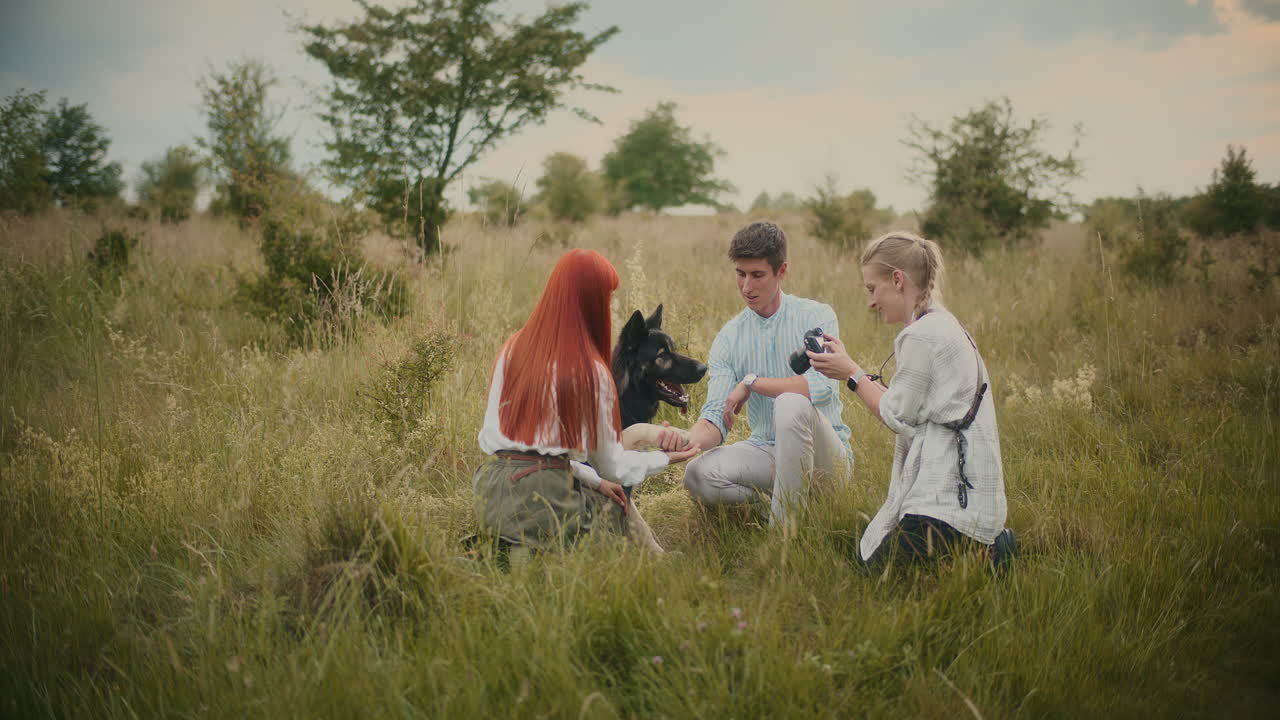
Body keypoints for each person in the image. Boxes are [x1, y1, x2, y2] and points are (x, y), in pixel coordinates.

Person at [806, 231, 1016, 568]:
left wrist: (852, 374)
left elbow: (898, 417)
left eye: (872, 289)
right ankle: (989, 547)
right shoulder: (943, 325)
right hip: (975, 501)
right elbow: (915, 409)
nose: (871, 302)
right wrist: (852, 369)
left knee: (872, 571)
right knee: (870, 548)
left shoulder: (920, 336)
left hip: (947, 503)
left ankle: (991, 554)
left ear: (898, 280)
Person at [474, 249, 700, 553]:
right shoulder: (590, 370)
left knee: (601, 490)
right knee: (616, 504)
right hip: (544, 496)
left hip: (490, 492)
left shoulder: (510, 349)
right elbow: (614, 467)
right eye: (605, 300)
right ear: (593, 304)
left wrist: (592, 480)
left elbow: (525, 450)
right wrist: (665, 458)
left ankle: (515, 550)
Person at [662, 220, 851, 528]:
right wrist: (679, 440)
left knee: (790, 403)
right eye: (740, 274)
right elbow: (715, 416)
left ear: (782, 271)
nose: (747, 287)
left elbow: (819, 388)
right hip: (767, 450)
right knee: (697, 475)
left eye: (757, 275)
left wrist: (752, 383)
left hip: (825, 460)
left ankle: (784, 537)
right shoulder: (728, 337)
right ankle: (780, 511)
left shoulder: (818, 316)